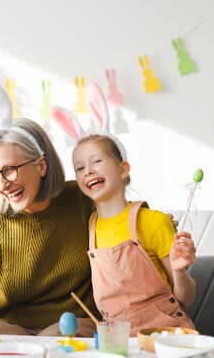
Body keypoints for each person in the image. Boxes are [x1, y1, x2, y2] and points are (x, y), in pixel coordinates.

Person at [0, 83, 180, 337]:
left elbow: (122, 215)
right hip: (7, 329)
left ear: (42, 165)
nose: (2, 184)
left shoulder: (81, 200)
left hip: (71, 326)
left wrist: (150, 225)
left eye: (9, 169)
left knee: (55, 340)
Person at [52, 83, 196, 336]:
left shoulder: (152, 221)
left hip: (165, 335)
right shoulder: (89, 225)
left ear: (122, 169)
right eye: (79, 168)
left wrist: (180, 270)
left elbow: (186, 298)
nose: (88, 171)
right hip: (117, 340)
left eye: (97, 161)